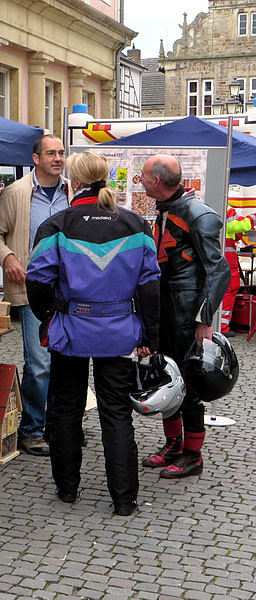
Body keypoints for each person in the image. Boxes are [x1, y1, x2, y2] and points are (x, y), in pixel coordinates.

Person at [26, 151, 160, 517]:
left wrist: (48, 316)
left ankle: (67, 490)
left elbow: (36, 280)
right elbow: (149, 286)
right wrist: (151, 334)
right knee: (116, 413)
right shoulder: (135, 224)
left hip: (70, 329)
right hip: (119, 330)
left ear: (74, 183)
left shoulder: (57, 224)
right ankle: (124, 500)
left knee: (66, 408)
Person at [0, 134, 72, 456]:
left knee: (67, 361)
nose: (58, 158)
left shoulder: (72, 192)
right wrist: (8, 258)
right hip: (33, 289)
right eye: (51, 153)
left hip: (70, 291)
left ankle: (58, 424)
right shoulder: (16, 192)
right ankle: (32, 428)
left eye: (61, 153)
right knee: (39, 362)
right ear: (36, 158)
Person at [139, 154, 229, 478]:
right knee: (167, 376)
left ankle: (193, 455)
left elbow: (219, 270)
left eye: (144, 176)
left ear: (157, 182)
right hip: (165, 305)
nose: (140, 180)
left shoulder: (198, 213)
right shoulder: (166, 209)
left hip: (186, 310)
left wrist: (204, 319)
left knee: (189, 382)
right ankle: (173, 444)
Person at [221, 206, 255, 334]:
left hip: (217, 257)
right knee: (230, 288)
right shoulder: (226, 209)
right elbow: (241, 226)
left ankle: (220, 324)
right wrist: (253, 218)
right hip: (227, 259)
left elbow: (232, 231)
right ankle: (222, 326)